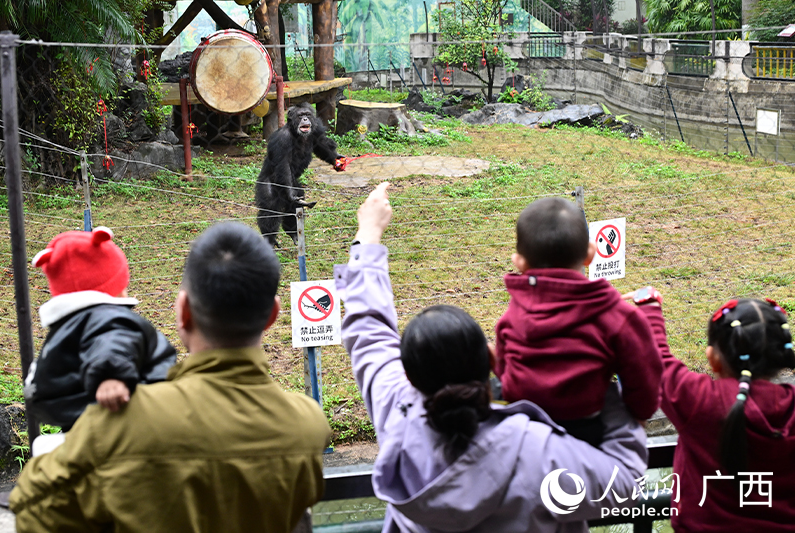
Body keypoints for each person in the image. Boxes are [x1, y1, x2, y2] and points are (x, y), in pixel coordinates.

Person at [334, 183, 651, 532]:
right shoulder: (538, 450)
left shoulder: (396, 410)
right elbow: (623, 486)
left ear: (408, 374)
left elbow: (368, 330)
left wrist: (368, 232)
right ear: (491, 359)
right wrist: (606, 394)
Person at [10, 222, 332, 532]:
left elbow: (32, 511)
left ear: (183, 311)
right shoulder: (307, 427)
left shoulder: (119, 423)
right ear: (273, 315)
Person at [494, 197, 662, 445]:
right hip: (588, 436)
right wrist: (637, 417)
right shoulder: (618, 317)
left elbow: (504, 371)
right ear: (590, 254)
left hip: (525, 435)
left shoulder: (511, 318)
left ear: (519, 262)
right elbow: (645, 385)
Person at [642, 296, 795, 531]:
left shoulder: (698, 400)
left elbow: (657, 363)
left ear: (713, 359)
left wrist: (649, 308)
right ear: (781, 357)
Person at [25, 227, 176, 437]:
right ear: (114, 288)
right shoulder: (109, 318)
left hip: (73, 419)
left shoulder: (65, 328)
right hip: (123, 411)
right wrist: (110, 375)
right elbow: (111, 341)